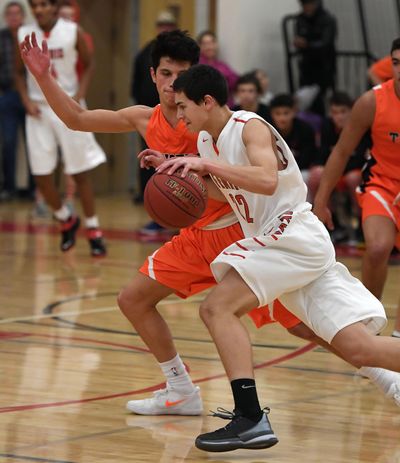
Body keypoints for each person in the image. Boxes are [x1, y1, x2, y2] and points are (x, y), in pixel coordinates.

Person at [19, 30, 400, 427]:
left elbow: (244, 178)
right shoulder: (145, 118)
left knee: (306, 325)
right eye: (166, 74)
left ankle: (384, 378)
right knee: (133, 299)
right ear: (153, 75)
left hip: (245, 231)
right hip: (199, 237)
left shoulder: (212, 118)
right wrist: (45, 78)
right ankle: (182, 389)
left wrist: (189, 170)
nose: (172, 85)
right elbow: (78, 119)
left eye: (181, 74)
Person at [154, 63, 400, 453]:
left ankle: (250, 417)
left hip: (290, 232)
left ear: (207, 101)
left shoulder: (249, 125)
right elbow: (228, 193)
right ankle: (251, 419)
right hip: (287, 244)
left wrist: (206, 166)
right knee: (360, 348)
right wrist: (174, 172)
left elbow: (266, 179)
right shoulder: (206, 142)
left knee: (217, 308)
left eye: (183, 106)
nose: (178, 114)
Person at [314, 38, 400, 338]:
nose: (399, 70)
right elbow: (340, 152)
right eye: (396, 63)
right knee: (377, 248)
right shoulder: (372, 101)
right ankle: (370, 324)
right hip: (382, 184)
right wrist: (321, 199)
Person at [15, 0, 106, 256]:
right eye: (35, 5)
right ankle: (66, 218)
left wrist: (80, 94)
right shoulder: (23, 33)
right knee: (41, 176)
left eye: (44, 4)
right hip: (39, 109)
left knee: (80, 172)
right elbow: (16, 72)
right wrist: (25, 99)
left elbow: (89, 64)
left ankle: (94, 230)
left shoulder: (72, 30)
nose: (39, 9)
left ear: (55, 7)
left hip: (68, 105)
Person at [131, 10, 177, 221]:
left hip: (178, 115)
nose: (164, 29)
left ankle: (177, 202)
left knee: (178, 161)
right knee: (147, 159)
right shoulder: (145, 53)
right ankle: (148, 197)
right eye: (161, 25)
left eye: (169, 25)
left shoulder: (180, 55)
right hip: (151, 113)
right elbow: (134, 83)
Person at [308, 92, 370, 242]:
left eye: (343, 112)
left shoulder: (361, 125)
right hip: (338, 170)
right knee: (316, 174)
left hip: (354, 171)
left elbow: (361, 159)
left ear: (351, 111)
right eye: (335, 112)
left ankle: (362, 223)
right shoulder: (327, 126)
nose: (339, 117)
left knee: (353, 177)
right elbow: (322, 154)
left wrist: (336, 168)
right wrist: (322, 167)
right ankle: (330, 222)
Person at [0, 1, 26, 201]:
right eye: (10, 14)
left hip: (31, 97)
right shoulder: (1, 37)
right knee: (8, 142)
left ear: (23, 16)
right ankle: (9, 188)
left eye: (17, 14)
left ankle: (36, 191)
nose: (14, 17)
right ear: (6, 17)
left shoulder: (29, 35)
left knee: (33, 144)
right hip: (7, 94)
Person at [293, 0, 337, 115]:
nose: (307, 7)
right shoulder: (301, 19)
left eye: (309, 4)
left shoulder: (327, 19)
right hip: (306, 65)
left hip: (324, 65)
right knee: (304, 97)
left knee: (322, 98)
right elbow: (298, 37)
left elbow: (326, 43)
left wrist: (308, 44)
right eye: (304, 4)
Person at [269, 93, 318, 187]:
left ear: (294, 112)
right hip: (276, 172)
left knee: (305, 177)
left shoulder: (305, 129)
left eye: (286, 113)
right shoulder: (267, 130)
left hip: (301, 170)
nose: (282, 118)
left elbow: (308, 157)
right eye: (278, 113)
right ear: (272, 114)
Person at [197, 30, 238, 108]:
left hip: (225, 107)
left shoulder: (222, 65)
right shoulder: (196, 64)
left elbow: (236, 82)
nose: (209, 47)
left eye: (212, 42)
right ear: (200, 46)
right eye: (205, 44)